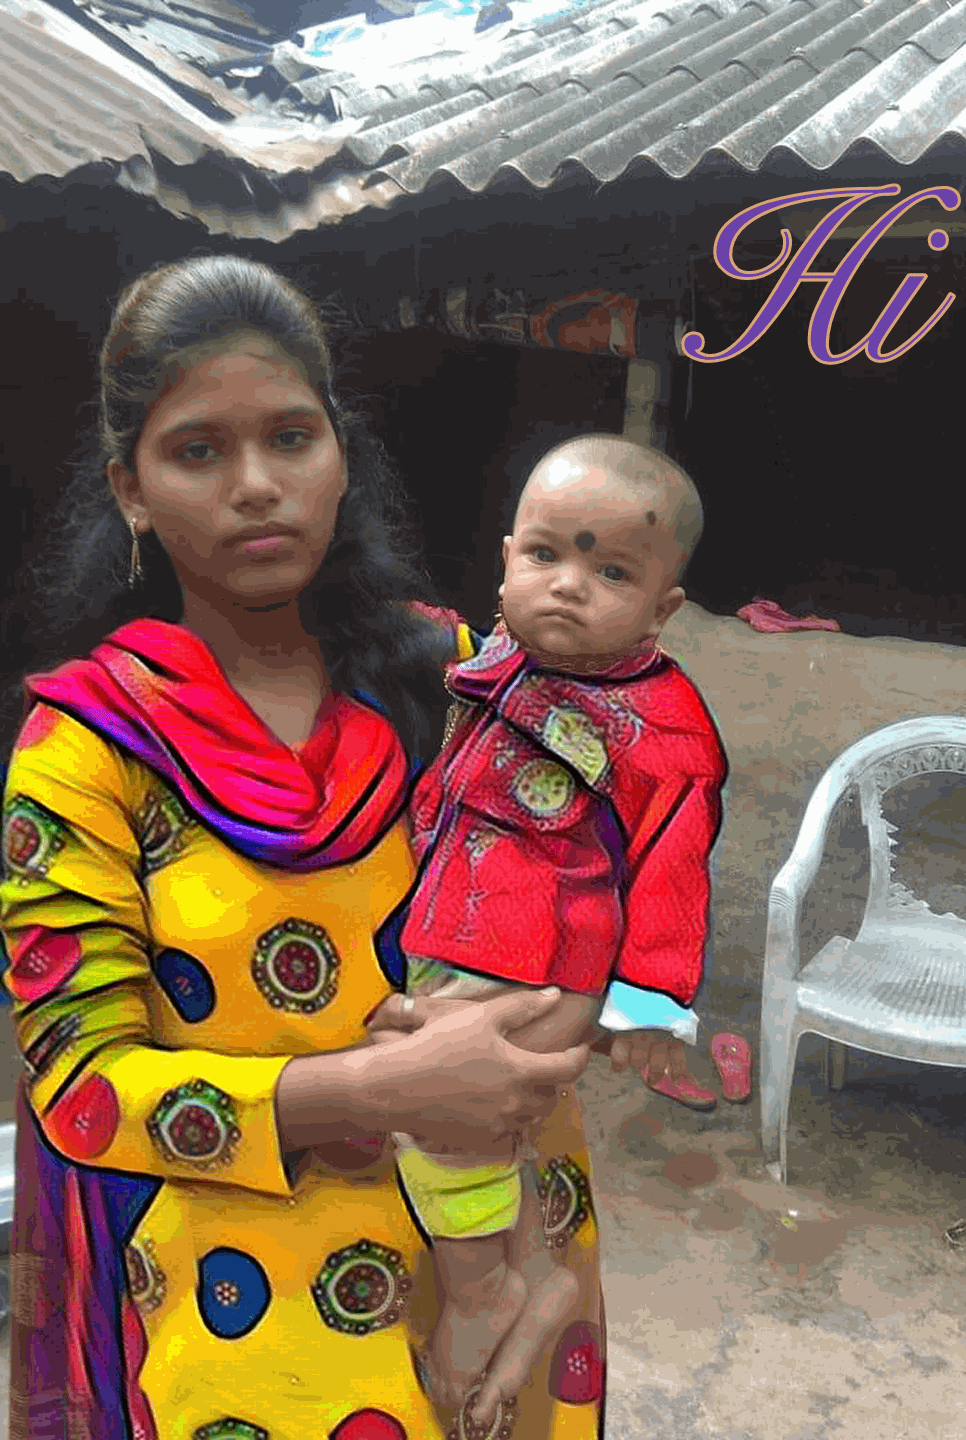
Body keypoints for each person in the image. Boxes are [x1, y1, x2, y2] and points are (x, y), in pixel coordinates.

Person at [0, 256, 642, 1440]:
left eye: (291, 438)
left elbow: (591, 897)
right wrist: (369, 1089)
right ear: (131, 489)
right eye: (198, 451)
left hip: (502, 1247)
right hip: (243, 1305)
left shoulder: (455, 676)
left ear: (341, 454)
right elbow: (79, 1088)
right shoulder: (87, 751)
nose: (257, 486)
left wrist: (552, 1018)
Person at [384, 435, 727, 1429]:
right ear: (505, 561)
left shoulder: (663, 729)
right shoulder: (504, 656)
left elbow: (673, 870)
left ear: (662, 608)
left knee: (434, 1110)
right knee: (496, 1132)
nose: (569, 586)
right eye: (545, 555)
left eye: (611, 571)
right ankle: (535, 1275)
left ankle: (483, 1292)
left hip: (535, 962)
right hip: (459, 932)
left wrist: (646, 1007)